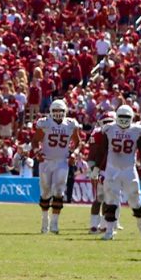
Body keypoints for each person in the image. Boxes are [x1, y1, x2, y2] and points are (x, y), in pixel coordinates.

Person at [98, 105, 141, 240]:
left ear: (132, 118)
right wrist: (98, 170)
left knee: (135, 200)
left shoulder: (137, 130)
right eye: (121, 117)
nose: (124, 120)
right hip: (112, 169)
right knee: (110, 200)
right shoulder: (109, 129)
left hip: (129, 170)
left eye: (126, 117)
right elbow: (103, 151)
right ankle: (109, 231)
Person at [32, 99, 80, 234]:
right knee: (46, 192)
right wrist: (37, 153)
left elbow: (78, 142)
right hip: (46, 161)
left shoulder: (70, 124)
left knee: (59, 191)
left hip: (62, 162)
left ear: (65, 111)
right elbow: (35, 141)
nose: (58, 113)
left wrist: (74, 153)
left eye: (60, 111)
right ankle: (44, 220)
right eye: (56, 111)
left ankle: (54, 223)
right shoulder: (45, 123)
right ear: (51, 112)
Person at [86, 112, 113, 233]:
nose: (108, 124)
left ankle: (104, 224)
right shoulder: (97, 134)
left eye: (110, 121)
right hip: (101, 169)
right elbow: (92, 155)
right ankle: (94, 225)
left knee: (110, 199)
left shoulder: (118, 133)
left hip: (114, 170)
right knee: (99, 198)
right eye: (105, 122)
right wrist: (93, 170)